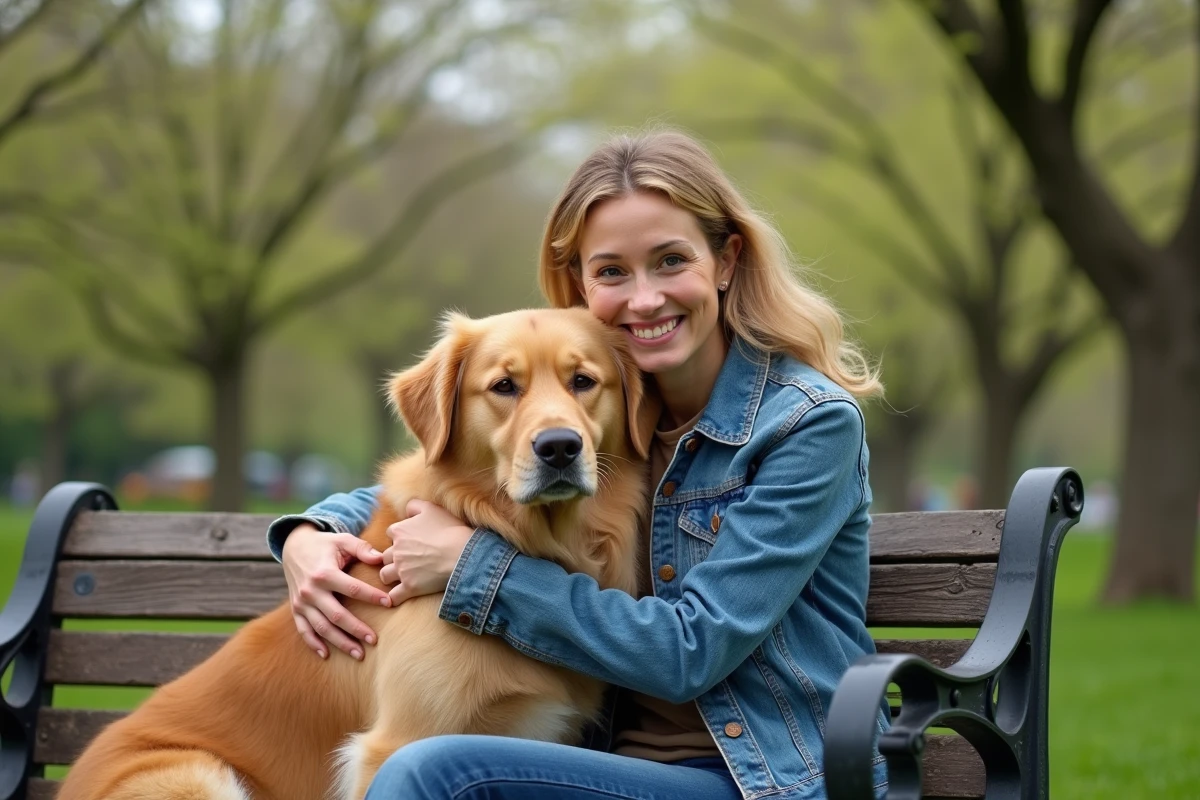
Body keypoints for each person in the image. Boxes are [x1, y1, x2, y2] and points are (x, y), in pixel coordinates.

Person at [266, 130, 888, 800]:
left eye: (671, 261)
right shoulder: (603, 405)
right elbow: (452, 475)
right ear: (580, 285)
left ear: (726, 260)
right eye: (612, 271)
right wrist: (308, 534)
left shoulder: (806, 425)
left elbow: (693, 651)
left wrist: (478, 570)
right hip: (607, 768)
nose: (644, 299)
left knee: (432, 774)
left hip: (766, 780)